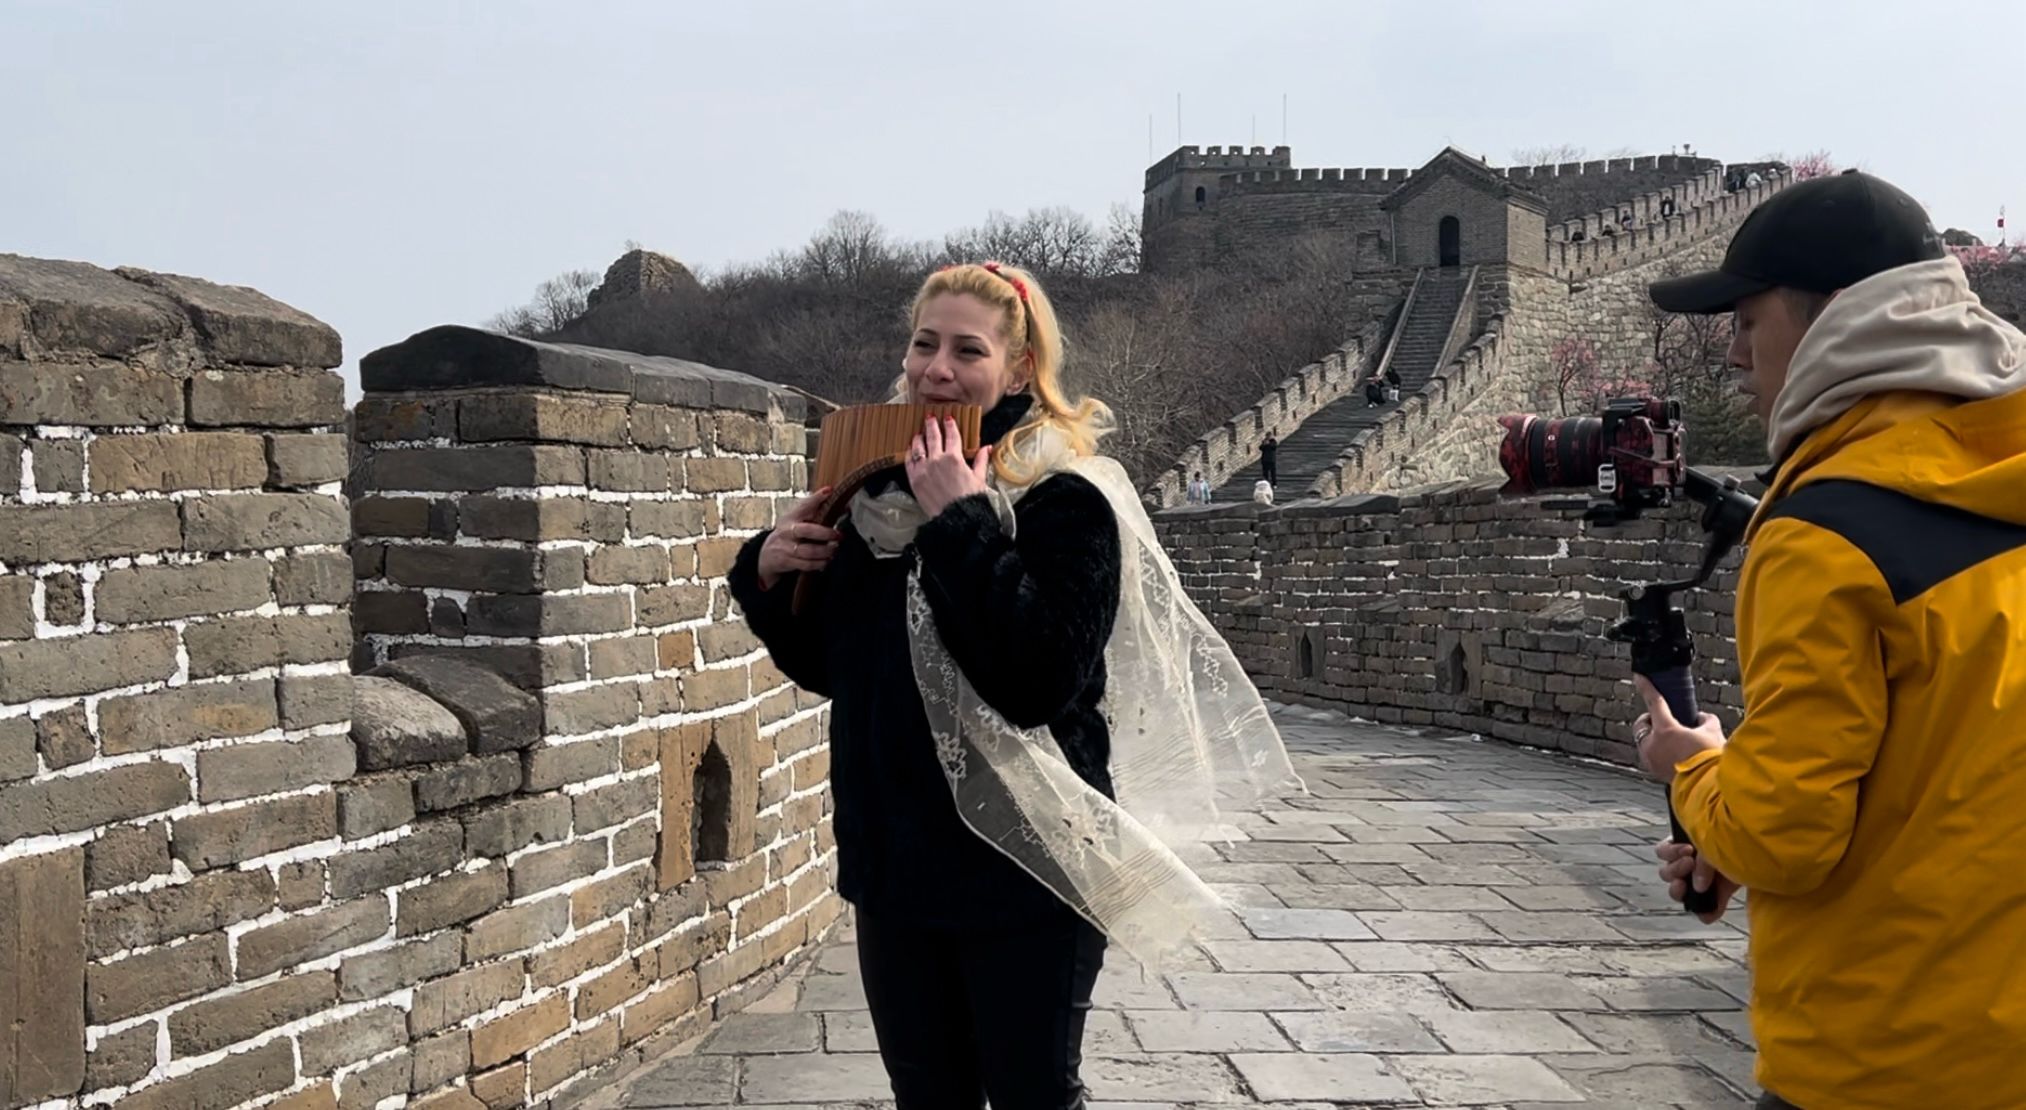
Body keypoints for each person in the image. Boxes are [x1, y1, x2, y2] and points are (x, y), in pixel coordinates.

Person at [728, 261, 1299, 1109]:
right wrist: (767, 576)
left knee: (1033, 1096)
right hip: (895, 868)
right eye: (924, 345)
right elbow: (838, 672)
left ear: (1021, 369)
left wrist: (960, 521)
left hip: (1028, 867)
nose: (936, 370)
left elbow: (1040, 679)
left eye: (968, 351)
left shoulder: (1066, 499)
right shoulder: (873, 499)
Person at [1634, 171, 2026, 1109]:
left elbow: (1785, 837)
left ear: (1839, 314)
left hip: (1889, 1054)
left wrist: (1695, 770)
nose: (1734, 353)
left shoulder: (1827, 533)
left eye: (1746, 319)